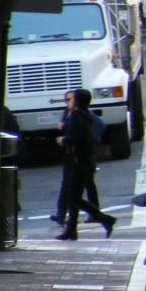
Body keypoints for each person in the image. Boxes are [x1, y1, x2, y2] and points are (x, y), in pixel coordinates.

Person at [56, 89, 116, 240]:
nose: (69, 101)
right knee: (74, 196)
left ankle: (105, 219)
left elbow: (77, 138)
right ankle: (71, 230)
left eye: (72, 99)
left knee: (73, 197)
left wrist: (64, 140)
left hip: (78, 162)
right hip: (84, 161)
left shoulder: (76, 116)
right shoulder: (85, 115)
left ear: (77, 101)